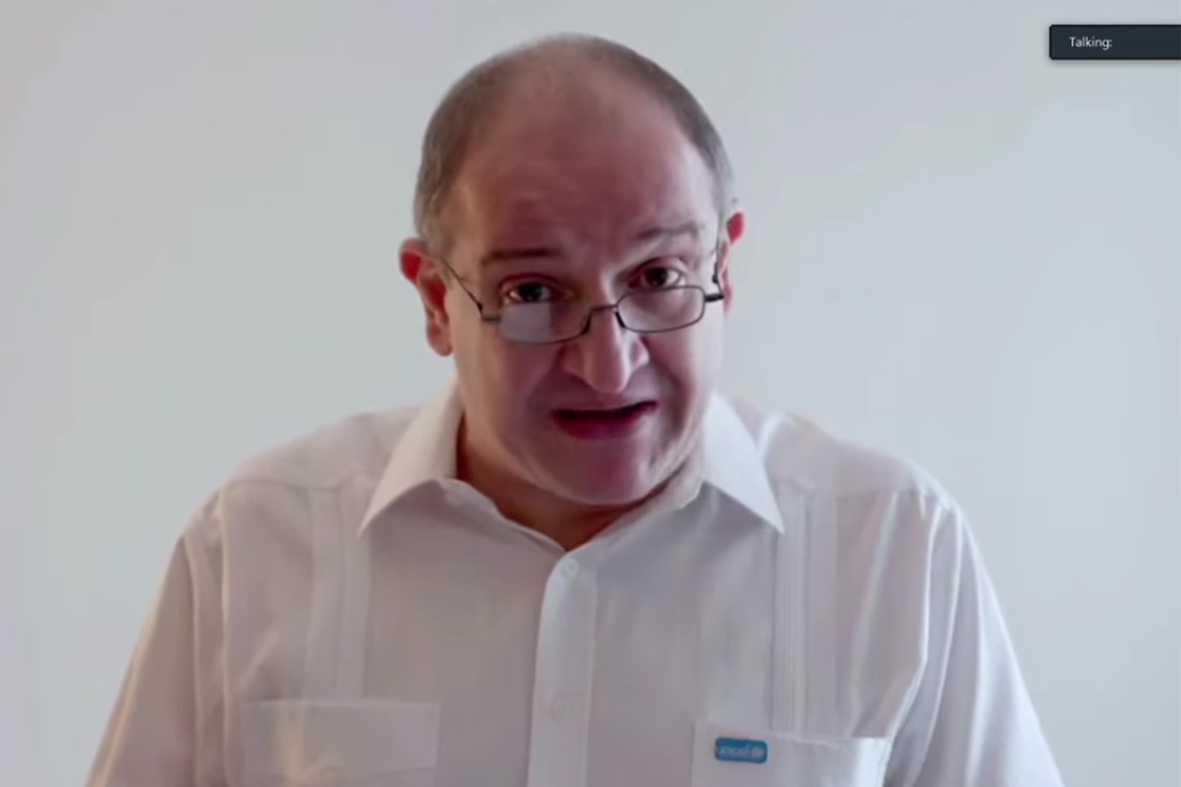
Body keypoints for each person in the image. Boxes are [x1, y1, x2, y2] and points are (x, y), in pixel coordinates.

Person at [87, 33, 1065, 787]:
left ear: (724, 266)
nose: (607, 365)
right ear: (435, 299)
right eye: (531, 293)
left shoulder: (892, 548)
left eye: (658, 275)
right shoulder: (254, 544)